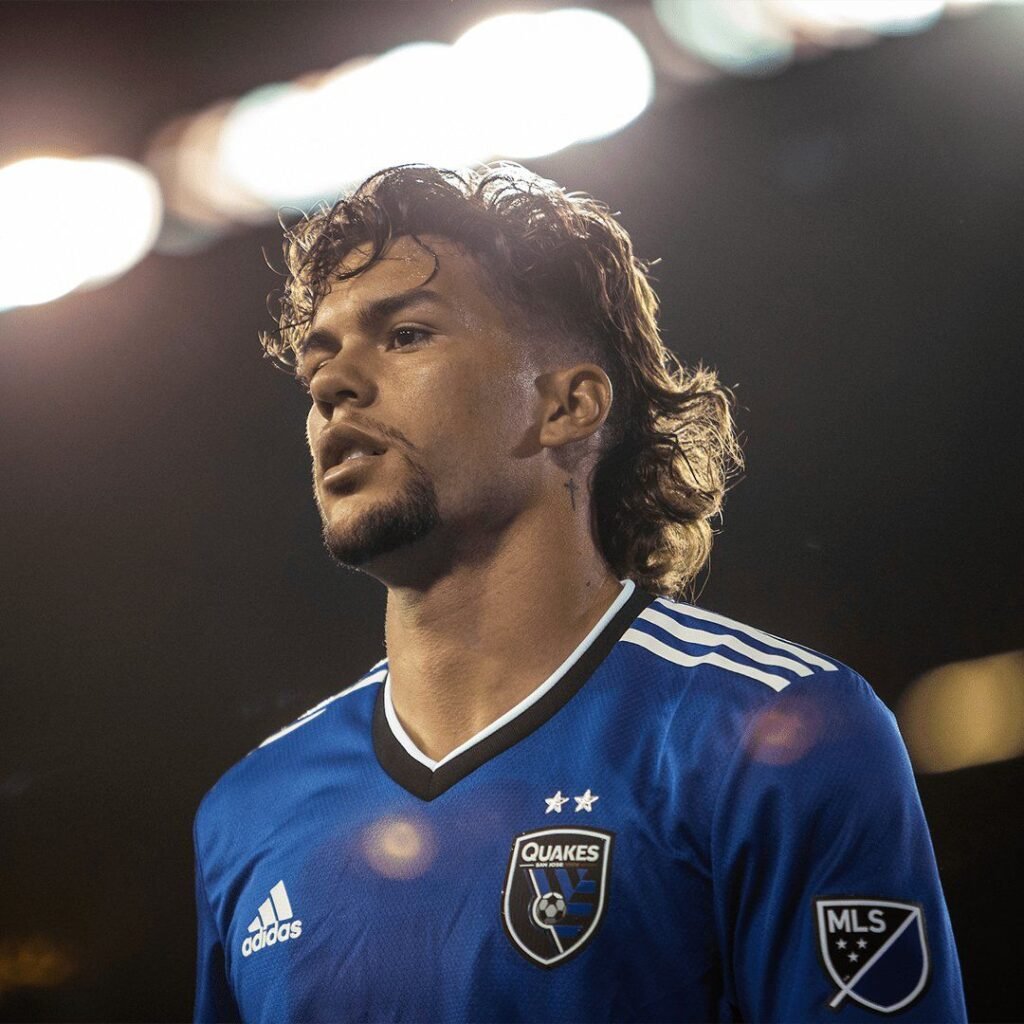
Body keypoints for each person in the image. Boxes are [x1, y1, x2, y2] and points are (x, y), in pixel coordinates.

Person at [192, 162, 966, 1022]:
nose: (335, 385)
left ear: (568, 406)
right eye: (319, 365)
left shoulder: (772, 731)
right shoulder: (248, 812)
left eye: (406, 334)